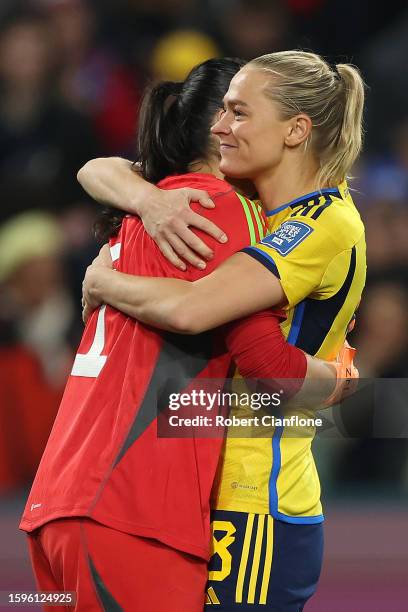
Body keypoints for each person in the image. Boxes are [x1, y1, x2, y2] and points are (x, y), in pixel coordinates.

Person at [20, 58, 344, 612]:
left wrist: (103, 268)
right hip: (133, 515)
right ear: (223, 130)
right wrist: (338, 382)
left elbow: (97, 169)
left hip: (63, 504)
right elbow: (264, 360)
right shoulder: (221, 213)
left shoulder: (147, 209)